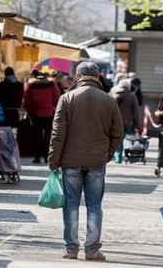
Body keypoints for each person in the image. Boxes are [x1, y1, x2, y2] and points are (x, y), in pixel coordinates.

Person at [48, 62, 124, 261]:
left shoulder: (66, 99)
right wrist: (107, 153)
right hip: (97, 160)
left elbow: (57, 134)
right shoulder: (109, 100)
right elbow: (118, 133)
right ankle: (92, 250)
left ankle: (71, 249)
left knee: (71, 205)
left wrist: (53, 160)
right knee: (94, 206)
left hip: (70, 161)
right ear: (97, 76)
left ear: (77, 76)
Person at [24, 70, 60, 164]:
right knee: (49, 136)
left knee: (36, 136)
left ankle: (37, 157)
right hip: (49, 113)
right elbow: (56, 98)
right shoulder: (51, 85)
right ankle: (47, 157)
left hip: (36, 113)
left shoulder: (31, 86)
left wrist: (29, 111)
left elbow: (26, 101)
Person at [110, 79, 141, 163]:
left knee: (118, 140)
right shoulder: (131, 95)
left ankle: (118, 158)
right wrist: (137, 125)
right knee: (129, 140)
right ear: (128, 86)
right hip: (128, 122)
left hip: (116, 121)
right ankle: (130, 158)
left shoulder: (113, 94)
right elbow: (135, 111)